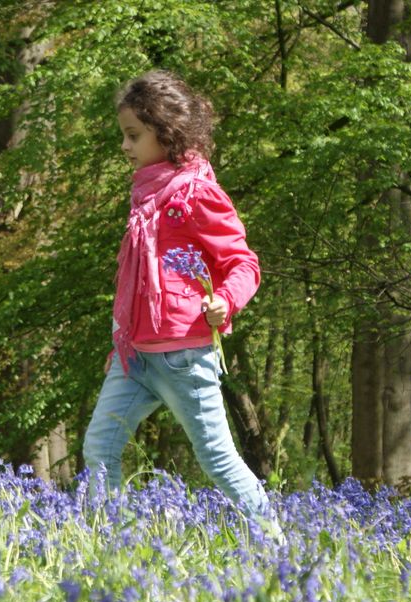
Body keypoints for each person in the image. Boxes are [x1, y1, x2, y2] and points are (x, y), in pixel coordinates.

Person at [82, 69, 278, 533]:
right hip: (134, 356)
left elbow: (243, 264)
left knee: (216, 459)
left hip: (184, 355)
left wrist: (225, 302)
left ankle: (275, 544)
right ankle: (105, 546)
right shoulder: (145, 193)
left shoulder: (198, 194)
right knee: (99, 448)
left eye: (134, 135)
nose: (126, 147)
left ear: (165, 133)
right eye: (123, 136)